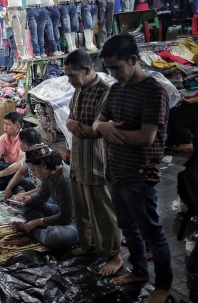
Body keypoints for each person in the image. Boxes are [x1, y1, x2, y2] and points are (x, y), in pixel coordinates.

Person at [92, 34, 171, 303]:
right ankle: (139, 272)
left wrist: (108, 131)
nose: (112, 74)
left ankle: (163, 285)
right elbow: (97, 124)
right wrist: (102, 127)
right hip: (116, 172)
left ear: (133, 60)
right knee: (128, 228)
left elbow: (146, 137)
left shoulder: (155, 91)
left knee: (152, 233)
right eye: (109, 68)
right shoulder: (116, 89)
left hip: (140, 174)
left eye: (116, 67)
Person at [63, 49, 123, 276]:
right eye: (67, 76)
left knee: (103, 211)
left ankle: (114, 255)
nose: (69, 81)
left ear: (88, 70)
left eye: (72, 75)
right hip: (79, 159)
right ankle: (89, 245)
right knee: (82, 208)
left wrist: (78, 127)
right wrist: (73, 125)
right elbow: (70, 118)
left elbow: (101, 129)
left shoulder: (105, 93)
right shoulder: (78, 90)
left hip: (98, 161)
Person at [10, 144, 79, 250]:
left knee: (55, 237)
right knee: (26, 207)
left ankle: (32, 229)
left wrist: (36, 222)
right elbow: (42, 195)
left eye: (33, 170)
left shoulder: (65, 180)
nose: (33, 174)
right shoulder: (49, 173)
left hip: (76, 219)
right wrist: (26, 199)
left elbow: (66, 217)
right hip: (61, 211)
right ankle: (44, 228)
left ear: (43, 165)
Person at [4, 127, 44, 203]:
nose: (19, 145)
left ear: (25, 146)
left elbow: (41, 190)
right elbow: (21, 172)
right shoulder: (30, 151)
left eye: (20, 142)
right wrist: (8, 188)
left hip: (48, 193)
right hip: (35, 185)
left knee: (30, 210)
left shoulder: (40, 157)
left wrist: (22, 197)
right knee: (12, 182)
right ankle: (21, 193)